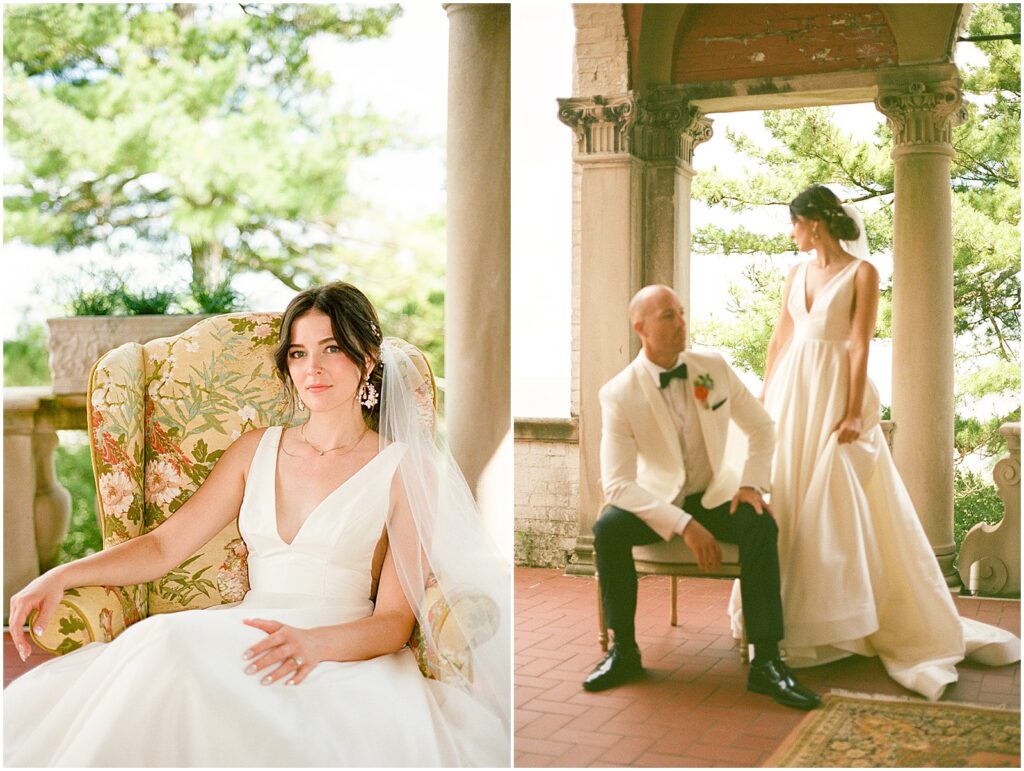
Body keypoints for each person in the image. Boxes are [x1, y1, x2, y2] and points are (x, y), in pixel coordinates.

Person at [5, 282, 510, 767]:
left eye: (331, 348)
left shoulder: (406, 468)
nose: (312, 367)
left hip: (340, 651)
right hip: (246, 630)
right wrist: (61, 574)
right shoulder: (255, 449)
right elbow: (162, 546)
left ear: (367, 360)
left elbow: (394, 624)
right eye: (297, 353)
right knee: (161, 647)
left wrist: (313, 645)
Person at [729, 183, 1020, 700]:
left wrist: (848, 411)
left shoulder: (862, 273)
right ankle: (786, 618)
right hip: (793, 392)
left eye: (794, 223)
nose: (792, 233)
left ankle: (840, 622)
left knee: (831, 502)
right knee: (791, 499)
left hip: (835, 390)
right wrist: (764, 397)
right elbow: (780, 339)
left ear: (814, 222)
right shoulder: (794, 275)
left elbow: (859, 342)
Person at [583, 284, 821, 711]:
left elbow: (762, 427)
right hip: (658, 502)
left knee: (760, 523)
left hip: (714, 495)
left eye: (681, 313)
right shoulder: (618, 393)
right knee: (608, 528)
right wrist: (683, 526)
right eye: (668, 317)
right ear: (641, 327)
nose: (681, 323)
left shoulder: (712, 368)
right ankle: (624, 652)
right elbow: (616, 485)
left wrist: (751, 483)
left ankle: (766, 661)